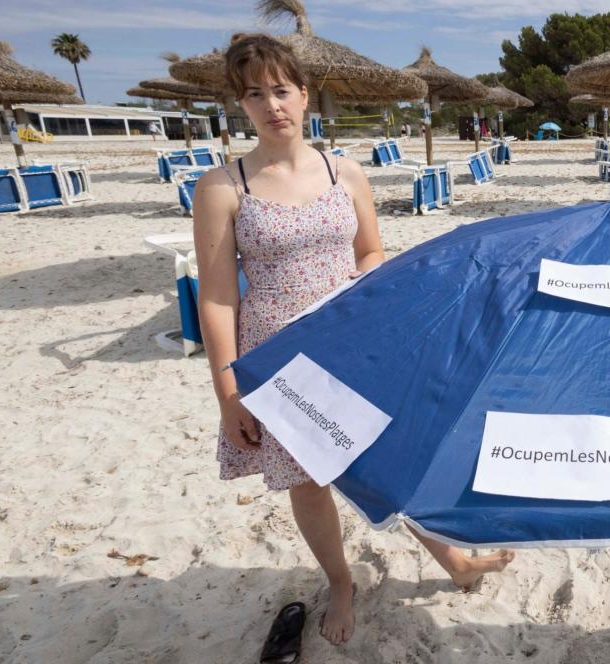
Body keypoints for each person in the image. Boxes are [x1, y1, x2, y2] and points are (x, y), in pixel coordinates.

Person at [193, 34, 513, 647]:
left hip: (355, 346)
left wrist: (361, 295)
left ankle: (453, 560)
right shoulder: (223, 186)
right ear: (243, 105)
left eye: (281, 90)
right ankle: (340, 582)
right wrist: (228, 391)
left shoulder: (346, 171)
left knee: (386, 459)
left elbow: (371, 252)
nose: (272, 105)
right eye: (255, 94)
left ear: (305, 94)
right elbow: (217, 297)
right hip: (278, 360)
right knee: (310, 482)